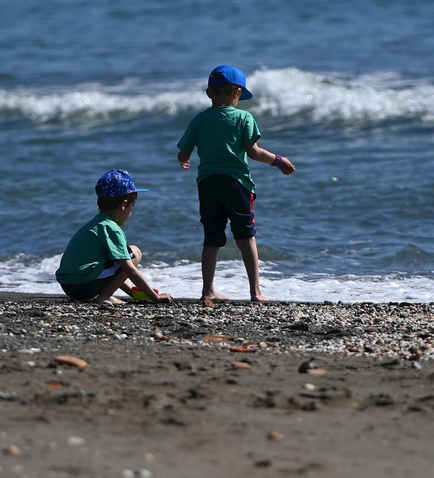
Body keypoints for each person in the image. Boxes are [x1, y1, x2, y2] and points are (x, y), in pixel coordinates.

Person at [176, 64, 295, 303]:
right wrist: (279, 161)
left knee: (212, 237)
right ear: (237, 93)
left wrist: (185, 160)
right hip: (236, 184)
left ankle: (207, 290)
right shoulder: (244, 118)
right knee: (245, 235)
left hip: (208, 184)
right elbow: (254, 152)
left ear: (209, 93)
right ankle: (255, 292)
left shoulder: (199, 120)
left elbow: (183, 152)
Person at [54, 169, 171, 304]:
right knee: (135, 253)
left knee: (113, 260)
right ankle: (103, 297)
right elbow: (129, 269)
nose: (131, 212)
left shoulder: (96, 223)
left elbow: (116, 274)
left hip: (69, 286)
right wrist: (155, 297)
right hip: (85, 285)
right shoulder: (111, 228)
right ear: (124, 205)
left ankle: (104, 295)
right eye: (132, 206)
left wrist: (133, 294)